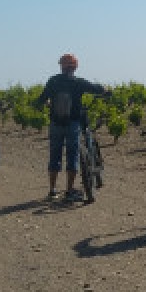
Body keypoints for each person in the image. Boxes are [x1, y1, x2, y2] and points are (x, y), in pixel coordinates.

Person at [33, 54, 109, 201]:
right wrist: (105, 90)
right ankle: (69, 191)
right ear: (75, 67)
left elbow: (41, 99)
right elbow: (96, 88)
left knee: (54, 156)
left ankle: (52, 190)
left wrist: (48, 103)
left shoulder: (53, 81)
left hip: (55, 123)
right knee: (72, 156)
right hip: (73, 123)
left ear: (61, 66)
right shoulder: (78, 82)